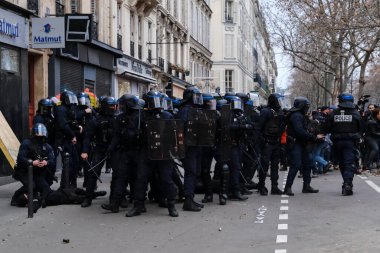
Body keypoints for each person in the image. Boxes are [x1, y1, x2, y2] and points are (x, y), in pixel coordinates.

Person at [126, 91, 179, 217]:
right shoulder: (140, 116)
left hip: (163, 152)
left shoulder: (167, 115)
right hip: (146, 151)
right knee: (141, 179)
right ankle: (138, 205)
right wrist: (136, 134)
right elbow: (130, 134)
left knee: (166, 179)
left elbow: (174, 134)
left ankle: (171, 205)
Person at [80, 96, 117, 207]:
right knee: (93, 173)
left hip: (114, 149)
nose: (113, 108)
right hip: (100, 149)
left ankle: (117, 197)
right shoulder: (95, 120)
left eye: (114, 105)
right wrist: (85, 151)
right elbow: (87, 136)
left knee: (119, 174)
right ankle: (88, 197)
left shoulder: (117, 119)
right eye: (111, 106)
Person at [324, 93, 362, 195]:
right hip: (350, 141)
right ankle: (347, 184)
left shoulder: (334, 113)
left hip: (337, 141)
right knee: (349, 163)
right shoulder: (355, 113)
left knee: (342, 163)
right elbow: (361, 127)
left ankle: (346, 182)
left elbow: (327, 127)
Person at [284, 97, 323, 196]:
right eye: (306, 106)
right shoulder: (296, 116)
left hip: (302, 143)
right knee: (295, 165)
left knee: (308, 164)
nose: (307, 108)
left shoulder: (300, 115)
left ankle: (306, 186)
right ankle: (288, 187)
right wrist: (313, 137)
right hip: (296, 143)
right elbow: (300, 131)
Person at [11, 123, 56, 209]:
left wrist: (46, 162)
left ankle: (35, 197)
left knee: (46, 187)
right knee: (31, 185)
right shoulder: (26, 143)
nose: (40, 138)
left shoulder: (46, 146)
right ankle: (15, 198)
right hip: (23, 171)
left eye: (42, 136)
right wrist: (32, 162)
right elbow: (20, 158)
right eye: (38, 136)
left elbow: (52, 160)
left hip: (36, 172)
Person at [257, 93, 286, 195]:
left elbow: (259, 127)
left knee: (268, 165)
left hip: (269, 142)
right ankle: (269, 187)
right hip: (272, 142)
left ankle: (266, 186)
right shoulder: (278, 112)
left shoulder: (265, 111)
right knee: (272, 165)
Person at [364, 108, 380, 173]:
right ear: (375, 114)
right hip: (370, 137)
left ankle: (366, 164)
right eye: (379, 114)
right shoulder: (371, 122)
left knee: (369, 151)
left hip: (375, 137)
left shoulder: (377, 120)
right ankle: (368, 164)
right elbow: (374, 133)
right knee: (375, 149)